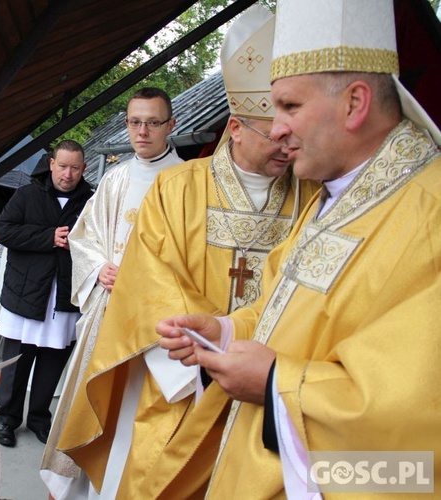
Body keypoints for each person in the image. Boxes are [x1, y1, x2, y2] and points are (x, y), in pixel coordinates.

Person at [157, 0, 441, 497]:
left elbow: (415, 441)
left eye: (290, 106)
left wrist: (274, 384)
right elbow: (283, 315)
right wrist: (225, 331)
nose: (279, 127)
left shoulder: (430, 213)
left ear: (355, 103)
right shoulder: (333, 195)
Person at [57, 6, 320, 498]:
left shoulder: (312, 196)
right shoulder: (177, 188)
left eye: (294, 134)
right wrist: (207, 355)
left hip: (270, 383)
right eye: (273, 134)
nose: (286, 147)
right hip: (179, 377)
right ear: (236, 127)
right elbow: (149, 281)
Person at [40, 87, 183, 496]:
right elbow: (85, 236)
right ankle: (72, 485)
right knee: (90, 401)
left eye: (153, 122)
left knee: (130, 411)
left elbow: (193, 256)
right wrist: (99, 266)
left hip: (150, 320)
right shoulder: (116, 176)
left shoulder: (187, 182)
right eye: (135, 122)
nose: (142, 131)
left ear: (170, 125)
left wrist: (142, 278)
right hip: (106, 312)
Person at [0, 139, 93, 448]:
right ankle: (7, 418)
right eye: (62, 166)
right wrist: (47, 237)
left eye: (75, 168)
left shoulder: (91, 201)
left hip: (63, 294)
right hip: (26, 290)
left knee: (52, 360)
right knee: (17, 361)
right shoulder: (26, 195)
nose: (68, 174)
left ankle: (40, 418)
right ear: (51, 164)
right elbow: (4, 231)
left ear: (83, 169)